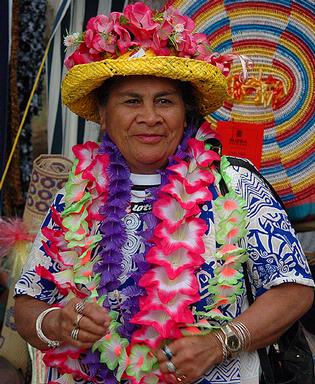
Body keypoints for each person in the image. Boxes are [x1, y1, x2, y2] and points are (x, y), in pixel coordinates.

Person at [14, 3, 314, 384]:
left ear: (186, 115)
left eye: (165, 101)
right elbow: (26, 305)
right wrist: (56, 322)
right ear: (103, 115)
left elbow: (293, 290)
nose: (150, 117)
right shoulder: (76, 196)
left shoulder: (234, 185)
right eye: (131, 101)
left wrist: (221, 342)